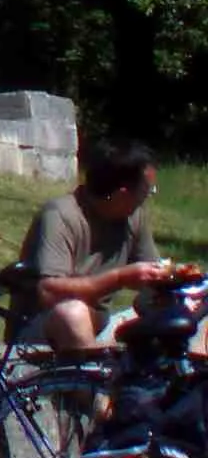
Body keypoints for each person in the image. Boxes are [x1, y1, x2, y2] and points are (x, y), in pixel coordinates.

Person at [18, 138, 191, 349]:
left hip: (101, 326)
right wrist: (119, 278)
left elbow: (153, 277)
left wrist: (169, 286)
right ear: (122, 195)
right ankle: (93, 377)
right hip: (42, 333)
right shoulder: (60, 216)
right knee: (73, 313)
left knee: (192, 308)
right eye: (147, 191)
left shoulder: (133, 216)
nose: (147, 198)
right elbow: (48, 292)